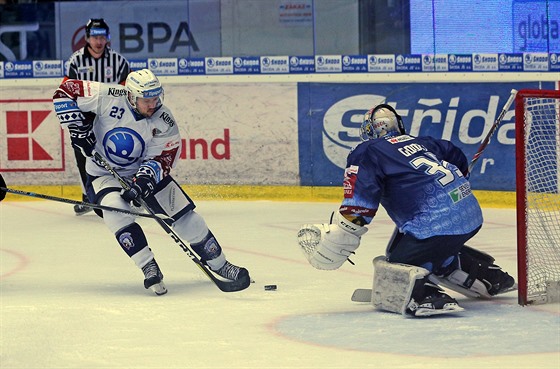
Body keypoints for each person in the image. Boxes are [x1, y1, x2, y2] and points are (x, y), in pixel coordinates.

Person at [298, 103, 515, 317]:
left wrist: (344, 233)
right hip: (471, 214)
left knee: (397, 266)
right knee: (413, 246)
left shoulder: (367, 150)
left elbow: (361, 203)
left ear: (367, 131)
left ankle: (425, 295)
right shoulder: (422, 142)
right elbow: (454, 153)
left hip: (435, 225)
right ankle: (488, 276)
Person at [52, 69, 249, 295]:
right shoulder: (107, 95)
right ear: (132, 96)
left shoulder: (164, 120)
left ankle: (220, 263)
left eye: (156, 98)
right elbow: (65, 91)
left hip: (143, 173)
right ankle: (148, 265)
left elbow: (164, 157)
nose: (152, 105)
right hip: (103, 173)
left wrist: (144, 180)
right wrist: (77, 127)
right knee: (115, 209)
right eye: (147, 100)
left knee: (186, 218)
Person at [64, 18, 131, 215]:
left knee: (117, 153)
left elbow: (129, 91)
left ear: (108, 38)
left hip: (111, 118)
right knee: (82, 156)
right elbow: (67, 91)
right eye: (95, 37)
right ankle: (88, 197)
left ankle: (124, 193)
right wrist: (74, 121)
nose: (99, 41)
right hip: (84, 118)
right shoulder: (75, 61)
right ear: (87, 38)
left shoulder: (119, 62)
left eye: (102, 37)